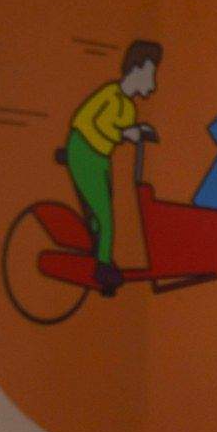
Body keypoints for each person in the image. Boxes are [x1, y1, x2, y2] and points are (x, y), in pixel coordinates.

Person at [66, 40, 161, 295]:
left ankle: (99, 258)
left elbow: (117, 133)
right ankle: (103, 267)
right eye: (150, 73)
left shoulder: (129, 108)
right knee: (106, 217)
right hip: (82, 151)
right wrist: (123, 133)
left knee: (101, 212)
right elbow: (85, 121)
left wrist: (136, 132)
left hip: (100, 158)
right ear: (137, 68)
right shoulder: (110, 94)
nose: (152, 82)